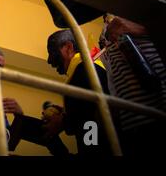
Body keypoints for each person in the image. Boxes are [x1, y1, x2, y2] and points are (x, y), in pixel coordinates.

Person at [99, 14, 166, 156]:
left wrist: (144, 26)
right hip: (132, 123)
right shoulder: (104, 33)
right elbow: (113, 76)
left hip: (160, 109)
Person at [43, 29, 111, 156]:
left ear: (69, 47)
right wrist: (66, 112)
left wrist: (62, 121)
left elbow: (91, 120)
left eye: (52, 51)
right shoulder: (89, 70)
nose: (49, 60)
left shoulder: (84, 71)